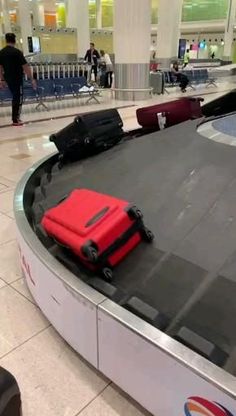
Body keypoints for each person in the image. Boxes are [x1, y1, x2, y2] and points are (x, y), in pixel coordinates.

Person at [0, 33, 36, 126]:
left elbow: (0, 67)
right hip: (17, 78)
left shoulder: (1, 52)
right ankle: (15, 119)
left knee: (15, 97)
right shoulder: (17, 52)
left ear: (6, 40)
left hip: (8, 78)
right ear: (14, 40)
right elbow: (25, 66)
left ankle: (15, 118)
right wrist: (32, 79)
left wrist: (2, 80)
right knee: (18, 98)